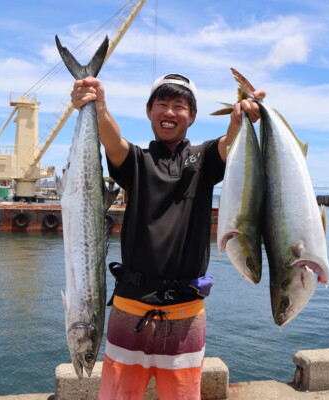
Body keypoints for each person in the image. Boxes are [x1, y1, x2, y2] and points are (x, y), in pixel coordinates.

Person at [71, 73, 265, 400]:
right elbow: (112, 142)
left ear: (192, 115)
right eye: (162, 104)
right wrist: (99, 107)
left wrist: (240, 118)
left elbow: (229, 143)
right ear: (149, 110)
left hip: (186, 314)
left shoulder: (204, 161)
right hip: (129, 308)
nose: (170, 112)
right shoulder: (137, 161)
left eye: (180, 106)